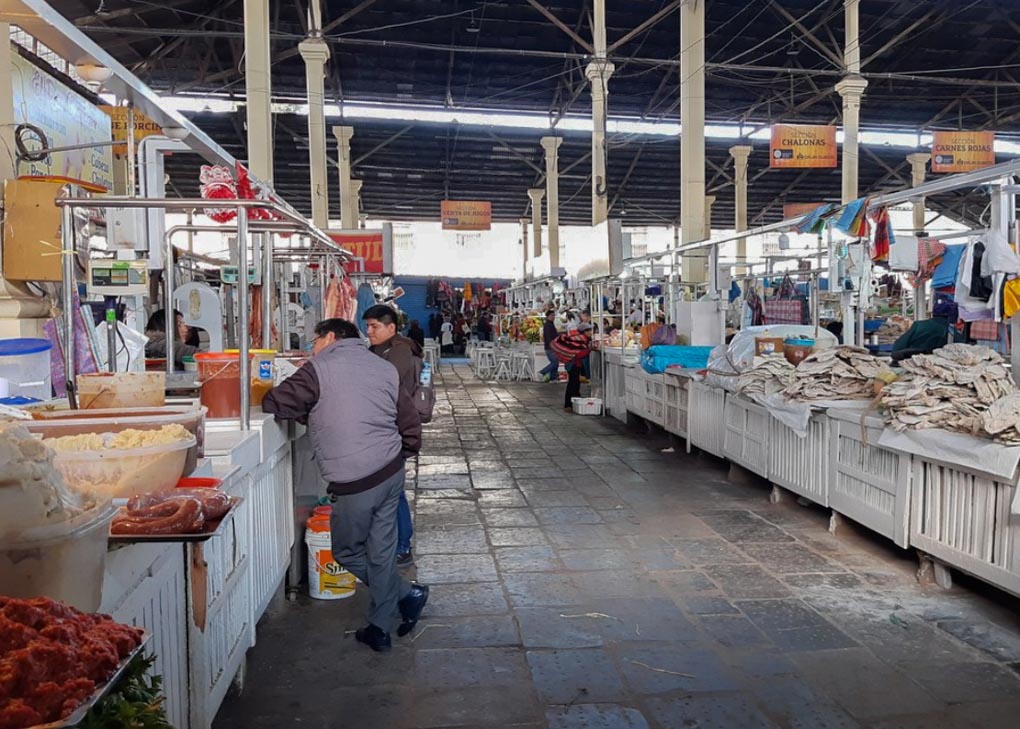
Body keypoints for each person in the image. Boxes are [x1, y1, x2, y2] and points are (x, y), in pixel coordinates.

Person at [262, 319, 428, 652]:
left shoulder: (318, 369)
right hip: (391, 470)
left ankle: (406, 595)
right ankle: (382, 625)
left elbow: (277, 403)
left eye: (315, 339)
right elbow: (407, 416)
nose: (312, 347)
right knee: (381, 554)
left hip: (356, 480)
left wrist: (308, 412)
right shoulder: (380, 366)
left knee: (347, 551)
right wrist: (405, 452)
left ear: (331, 337)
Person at [363, 304, 423, 567]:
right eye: (367, 326)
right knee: (385, 489)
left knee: (393, 490)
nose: (369, 332)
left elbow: (388, 385)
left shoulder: (398, 351)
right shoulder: (380, 349)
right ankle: (389, 542)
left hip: (392, 428)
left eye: (374, 326)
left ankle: (402, 546)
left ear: (391, 327)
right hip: (380, 427)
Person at [891, 301, 963, 363]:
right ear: (954, 315)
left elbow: (897, 348)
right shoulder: (953, 333)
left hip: (910, 365)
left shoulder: (918, 325)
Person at [557, 322, 593, 411]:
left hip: (574, 363)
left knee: (575, 383)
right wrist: (589, 350)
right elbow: (578, 353)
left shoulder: (582, 338)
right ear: (584, 332)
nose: (591, 332)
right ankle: (568, 404)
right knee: (572, 383)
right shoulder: (580, 339)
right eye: (589, 330)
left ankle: (576, 400)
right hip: (573, 364)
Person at [538, 310, 560, 383]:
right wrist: (552, 344)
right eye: (551, 315)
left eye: (554, 315)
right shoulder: (547, 325)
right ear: (547, 316)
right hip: (550, 347)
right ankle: (542, 372)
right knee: (555, 362)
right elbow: (548, 337)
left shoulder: (551, 324)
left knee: (555, 362)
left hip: (553, 346)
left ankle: (553, 378)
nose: (553, 317)